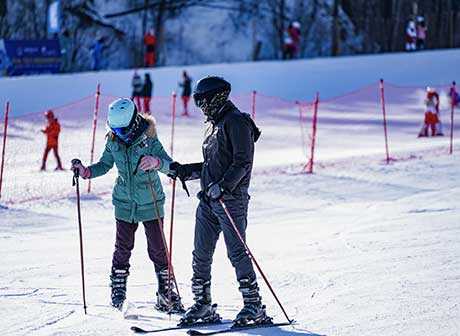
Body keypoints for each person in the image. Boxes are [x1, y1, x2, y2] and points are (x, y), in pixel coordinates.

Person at [169, 76, 270, 327]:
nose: (202, 107)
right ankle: (203, 305)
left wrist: (223, 187)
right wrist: (186, 171)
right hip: (209, 200)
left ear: (217, 97)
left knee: (236, 252)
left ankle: (253, 305)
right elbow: (212, 166)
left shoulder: (237, 122)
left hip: (230, 200)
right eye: (198, 102)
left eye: (203, 101)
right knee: (200, 253)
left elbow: (242, 162)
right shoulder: (214, 124)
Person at [71, 98, 183, 312]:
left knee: (158, 249)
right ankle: (118, 291)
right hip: (124, 203)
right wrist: (86, 172)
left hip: (150, 201)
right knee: (122, 248)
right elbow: (104, 164)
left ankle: (166, 294)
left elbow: (171, 166)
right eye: (116, 129)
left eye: (123, 129)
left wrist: (156, 162)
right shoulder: (113, 139)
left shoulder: (149, 140)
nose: (119, 133)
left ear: (133, 122)